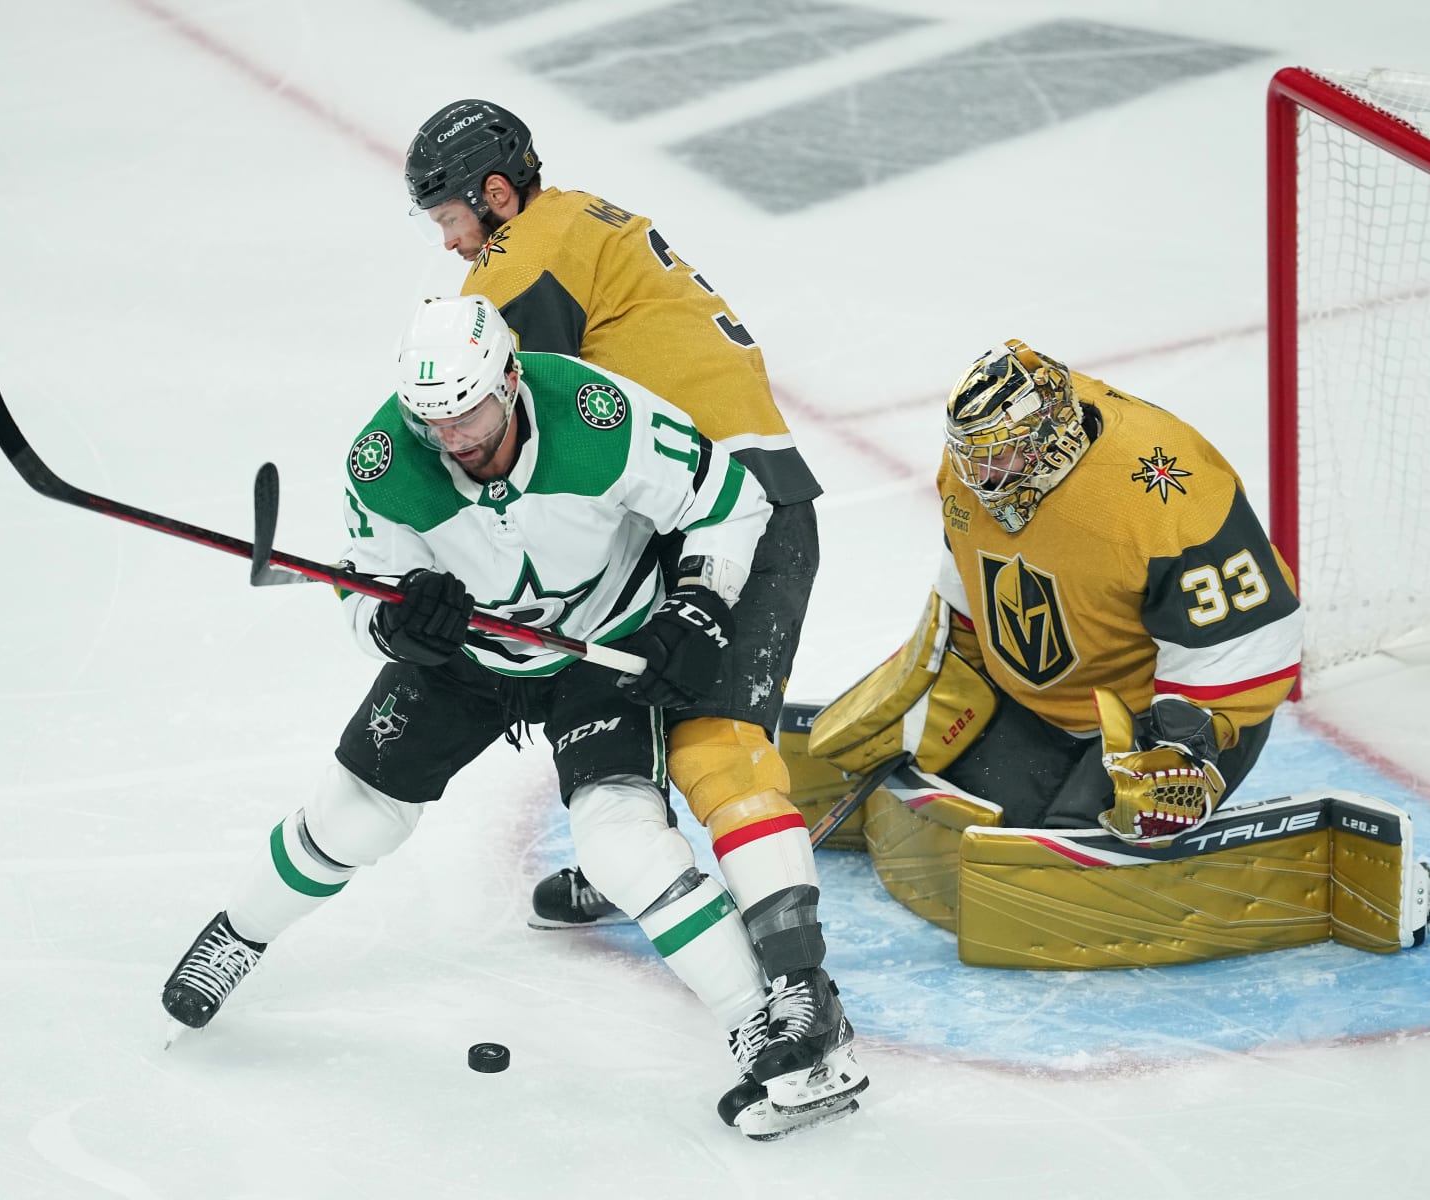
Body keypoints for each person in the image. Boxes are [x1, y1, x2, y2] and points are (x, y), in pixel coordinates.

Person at [159, 295, 866, 1139]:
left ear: (511, 379)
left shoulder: (597, 417)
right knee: (351, 819)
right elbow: (360, 588)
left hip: (603, 649)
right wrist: (396, 623)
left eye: (471, 415)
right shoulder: (386, 460)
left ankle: (781, 1029)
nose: (456, 440)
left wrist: (699, 603)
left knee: (621, 841)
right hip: (467, 661)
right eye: (437, 424)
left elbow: (727, 500)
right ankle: (236, 936)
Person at [401, 99, 823, 938]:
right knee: (654, 696)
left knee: (717, 738)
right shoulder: (577, 217)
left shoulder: (518, 266)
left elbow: (520, 438)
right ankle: (651, 867)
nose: (449, 242)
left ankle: (792, 969)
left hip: (728, 516)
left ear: (496, 194)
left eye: (451, 219)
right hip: (712, 500)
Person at [810, 338, 1304, 845]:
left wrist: (1182, 748)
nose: (978, 477)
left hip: (1159, 722)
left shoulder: (1170, 502)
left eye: (995, 456)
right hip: (1045, 704)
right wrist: (944, 672)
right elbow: (968, 577)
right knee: (965, 810)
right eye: (970, 456)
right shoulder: (976, 474)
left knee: (1071, 840)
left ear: (1048, 438)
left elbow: (1247, 637)